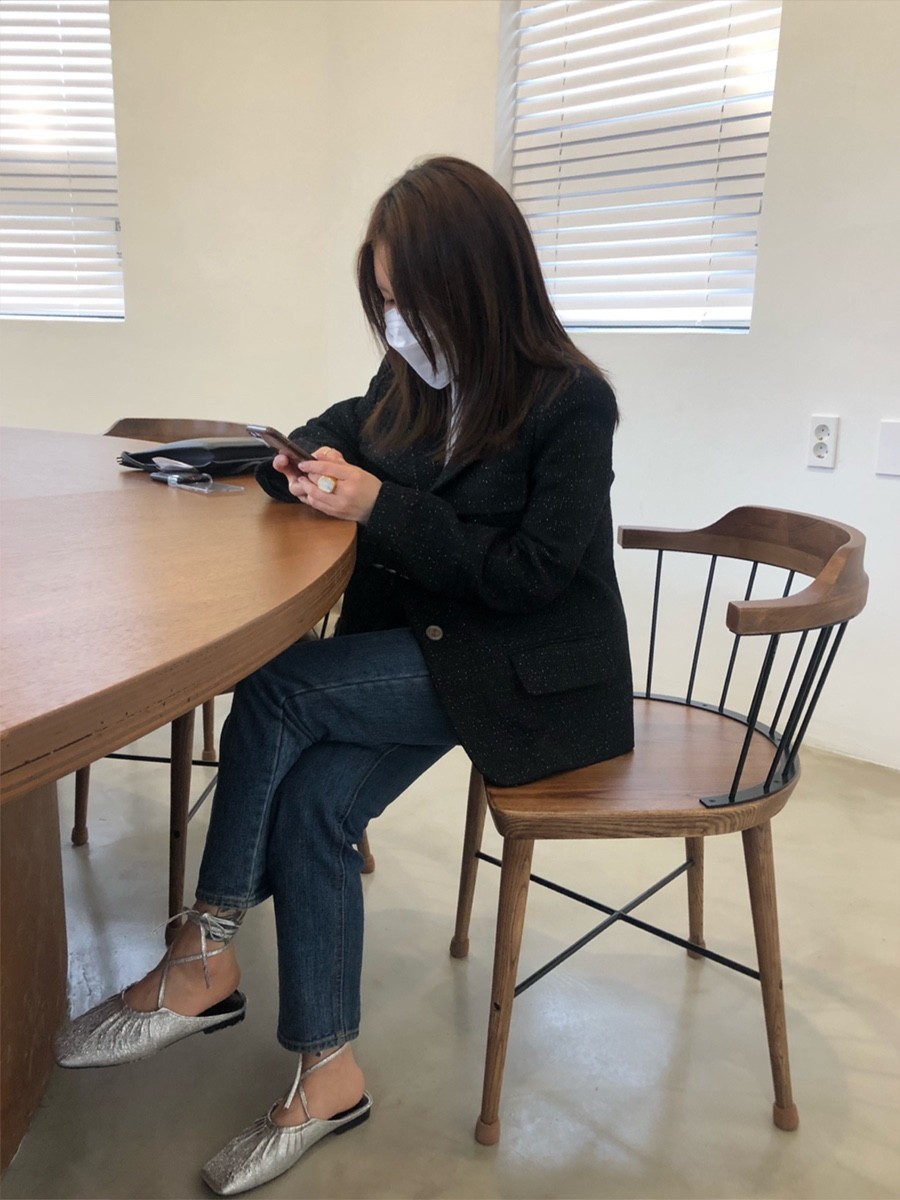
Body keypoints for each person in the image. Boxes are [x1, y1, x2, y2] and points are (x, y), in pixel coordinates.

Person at [54, 156, 634, 1195]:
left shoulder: (571, 401)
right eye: (386, 300)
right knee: (316, 805)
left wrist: (380, 506)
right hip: (430, 650)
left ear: (476, 282)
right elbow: (343, 425)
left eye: (412, 300)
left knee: (278, 686)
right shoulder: (415, 379)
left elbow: (533, 575)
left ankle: (204, 950)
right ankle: (330, 1076)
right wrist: (303, 461)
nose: (398, 323)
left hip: (522, 670)